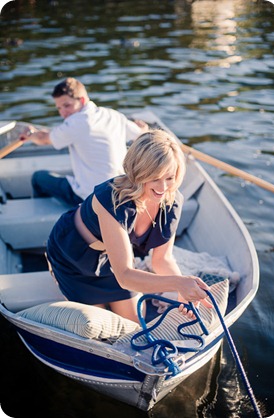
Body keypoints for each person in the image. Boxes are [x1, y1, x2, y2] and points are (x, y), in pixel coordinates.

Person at [46, 129, 212, 323]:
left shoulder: (171, 201)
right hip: (73, 257)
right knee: (97, 324)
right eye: (155, 177)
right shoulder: (111, 198)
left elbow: (162, 260)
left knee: (134, 324)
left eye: (170, 177)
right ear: (138, 171)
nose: (163, 187)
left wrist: (184, 294)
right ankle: (53, 266)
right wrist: (178, 283)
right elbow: (125, 276)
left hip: (113, 261)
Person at [20, 77, 148, 206]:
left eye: (67, 105)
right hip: (121, 191)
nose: (63, 113)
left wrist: (30, 134)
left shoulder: (76, 122)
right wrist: (143, 128)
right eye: (59, 108)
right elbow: (140, 134)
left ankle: (40, 211)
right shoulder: (113, 115)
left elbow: (43, 140)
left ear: (81, 100)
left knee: (38, 177)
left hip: (90, 197)